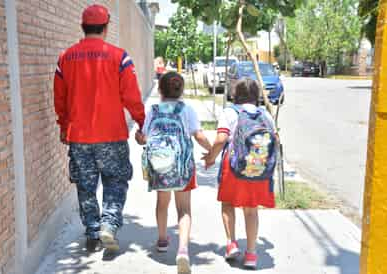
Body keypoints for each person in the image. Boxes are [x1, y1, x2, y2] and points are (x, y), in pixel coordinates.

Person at [53, 4, 145, 252]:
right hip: (112, 135)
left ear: (83, 27)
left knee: (85, 185)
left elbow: (59, 98)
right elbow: (132, 96)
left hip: (79, 137)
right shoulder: (119, 57)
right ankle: (109, 224)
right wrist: (142, 122)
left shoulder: (65, 58)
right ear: (106, 28)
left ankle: (93, 232)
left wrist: (63, 126)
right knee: (115, 181)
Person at [135, 72, 211, 273]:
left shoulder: (152, 110)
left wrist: (139, 138)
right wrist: (211, 150)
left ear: (160, 90)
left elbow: (143, 137)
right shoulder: (187, 110)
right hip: (183, 166)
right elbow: (199, 135)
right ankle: (183, 250)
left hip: (160, 165)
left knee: (162, 202)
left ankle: (162, 240)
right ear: (181, 90)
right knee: (184, 209)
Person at [203, 78, 276, 270]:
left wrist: (210, 157)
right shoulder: (265, 114)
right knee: (251, 210)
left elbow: (221, 139)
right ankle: (251, 254)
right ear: (256, 95)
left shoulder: (230, 112)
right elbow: (274, 139)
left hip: (234, 166)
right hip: (258, 167)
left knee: (228, 203)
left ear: (235, 94)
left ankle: (232, 244)